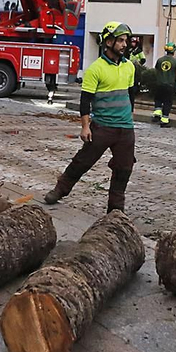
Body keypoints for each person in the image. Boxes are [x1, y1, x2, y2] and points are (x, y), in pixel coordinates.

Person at [45, 22, 138, 212]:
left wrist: (130, 117)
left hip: (125, 128)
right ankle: (60, 189)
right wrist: (85, 126)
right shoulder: (95, 69)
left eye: (125, 41)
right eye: (120, 40)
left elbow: (131, 94)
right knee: (82, 162)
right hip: (102, 127)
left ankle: (115, 210)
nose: (124, 44)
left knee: (124, 169)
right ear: (108, 42)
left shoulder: (129, 67)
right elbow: (85, 100)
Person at [151, 42, 176, 126]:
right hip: (169, 85)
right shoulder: (175, 62)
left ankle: (157, 115)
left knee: (158, 99)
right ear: (174, 51)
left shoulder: (160, 60)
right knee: (167, 102)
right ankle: (164, 120)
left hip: (159, 84)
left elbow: (156, 71)